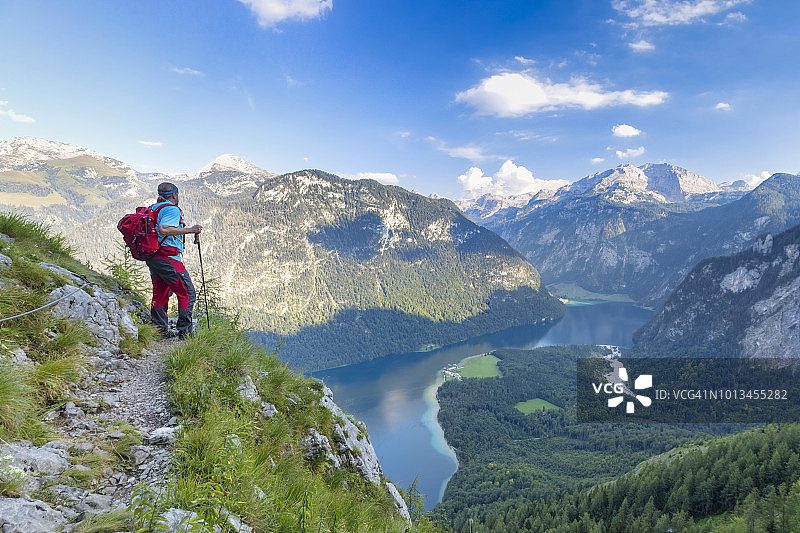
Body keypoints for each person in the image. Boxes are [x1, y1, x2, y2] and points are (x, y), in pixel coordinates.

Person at [145, 182, 202, 338]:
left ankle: (159, 331)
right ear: (175, 195)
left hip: (153, 257)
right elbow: (164, 229)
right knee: (187, 293)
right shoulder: (171, 209)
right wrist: (191, 230)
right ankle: (185, 332)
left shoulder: (153, 208)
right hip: (168, 257)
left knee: (160, 292)